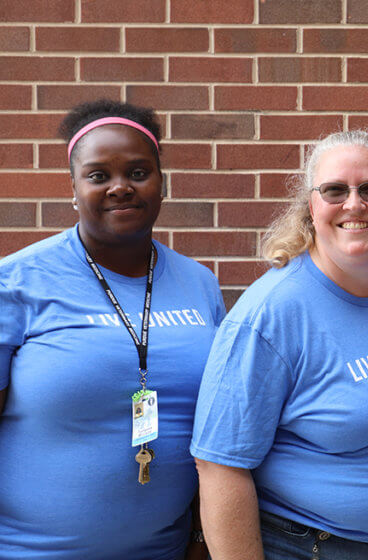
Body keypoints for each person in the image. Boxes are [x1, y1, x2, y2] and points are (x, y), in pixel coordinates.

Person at [190, 130, 368, 560]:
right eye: (335, 190)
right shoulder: (271, 313)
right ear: (311, 206)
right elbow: (220, 465)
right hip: (312, 547)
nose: (354, 204)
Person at [0, 100, 225, 558]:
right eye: (99, 175)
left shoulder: (200, 284)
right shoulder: (17, 282)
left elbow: (220, 428)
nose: (120, 187)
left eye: (139, 172)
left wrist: (202, 537)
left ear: (163, 184)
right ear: (74, 188)